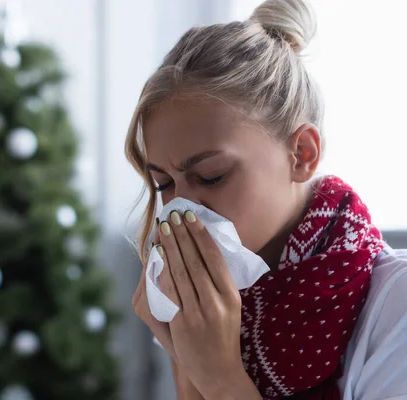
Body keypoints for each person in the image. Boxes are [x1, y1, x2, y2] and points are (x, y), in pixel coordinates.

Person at [126, 0, 407, 399]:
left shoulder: (395, 306)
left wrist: (222, 377)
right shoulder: (200, 311)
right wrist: (186, 359)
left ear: (302, 154)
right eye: (163, 184)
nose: (181, 210)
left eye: (212, 176)